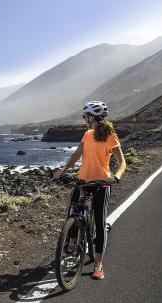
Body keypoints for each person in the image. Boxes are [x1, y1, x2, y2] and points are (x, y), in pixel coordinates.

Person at [53, 101, 127, 280]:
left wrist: (116, 176)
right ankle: (71, 242)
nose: (84, 119)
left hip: (102, 183)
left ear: (92, 117)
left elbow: (122, 162)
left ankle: (98, 264)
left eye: (85, 116)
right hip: (83, 180)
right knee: (74, 211)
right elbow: (76, 155)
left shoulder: (110, 136)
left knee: (100, 223)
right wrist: (62, 171)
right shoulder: (87, 134)